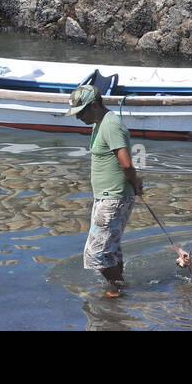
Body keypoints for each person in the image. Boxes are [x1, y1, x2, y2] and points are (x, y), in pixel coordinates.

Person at [67, 85, 143, 297]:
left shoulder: (110, 125)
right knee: (110, 249)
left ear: (94, 105)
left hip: (114, 198)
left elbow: (126, 164)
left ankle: (117, 287)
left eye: (81, 112)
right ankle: (117, 287)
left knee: (95, 253)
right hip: (107, 197)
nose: (78, 117)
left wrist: (135, 182)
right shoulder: (100, 123)